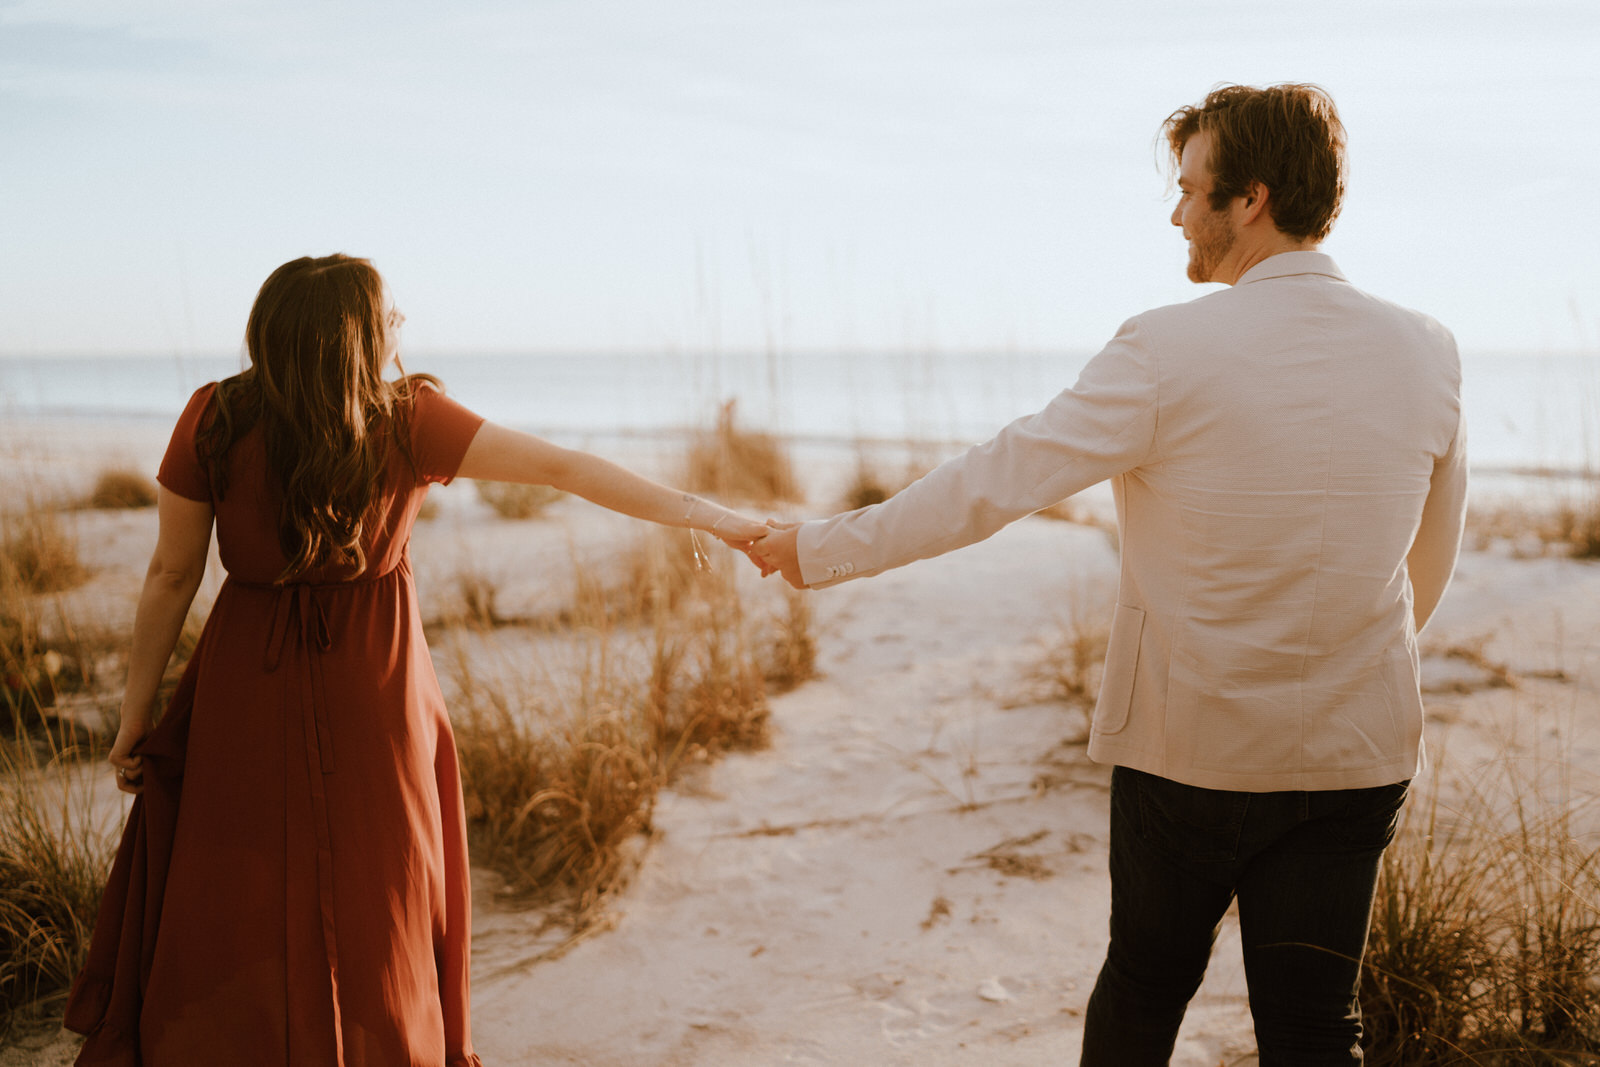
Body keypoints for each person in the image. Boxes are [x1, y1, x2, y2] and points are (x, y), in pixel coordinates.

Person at [750, 84, 1466, 1065]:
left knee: (1142, 988)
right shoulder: (1429, 350)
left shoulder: (1164, 349)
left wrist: (820, 545)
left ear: (1247, 198)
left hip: (1190, 756)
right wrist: (1352, 669)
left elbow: (997, 479)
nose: (1174, 212)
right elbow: (1428, 559)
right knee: (1313, 1030)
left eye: (1188, 189)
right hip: (1355, 750)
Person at [64, 254, 767, 1066]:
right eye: (390, 314)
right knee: (384, 888)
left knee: (238, 885)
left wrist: (136, 716)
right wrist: (708, 516)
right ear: (355, 334)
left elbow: (172, 573)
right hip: (377, 685)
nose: (403, 325)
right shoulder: (406, 420)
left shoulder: (214, 416)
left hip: (240, 682)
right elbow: (562, 469)